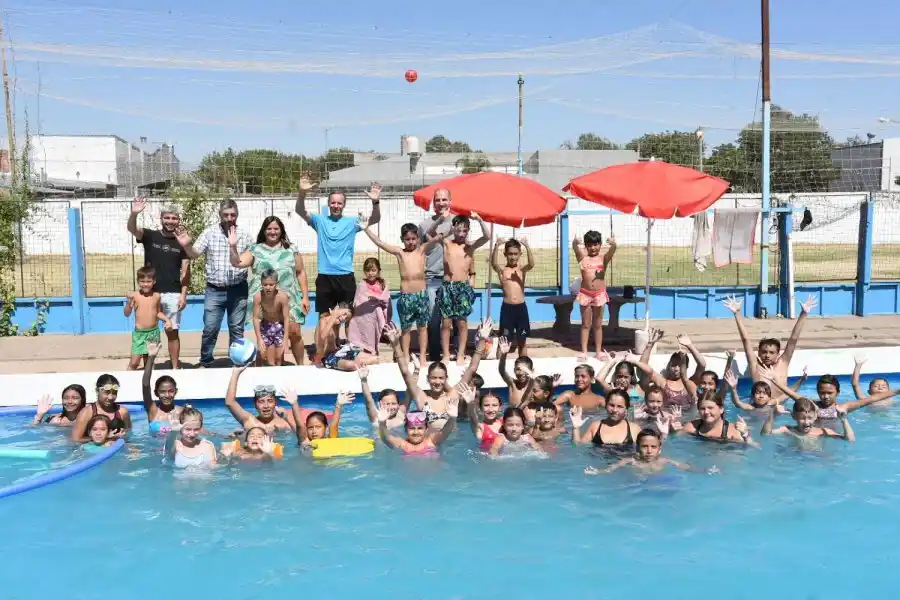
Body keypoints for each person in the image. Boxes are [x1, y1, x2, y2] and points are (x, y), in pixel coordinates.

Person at [295, 177, 382, 341]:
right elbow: (300, 210)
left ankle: (350, 348)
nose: (336, 206)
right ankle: (323, 352)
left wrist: (375, 202)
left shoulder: (352, 222)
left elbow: (375, 219)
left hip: (345, 277)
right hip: (325, 276)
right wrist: (301, 193)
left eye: (339, 203)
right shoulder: (319, 221)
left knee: (348, 317)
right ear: (329, 204)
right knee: (324, 319)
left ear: (344, 205)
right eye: (333, 203)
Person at [175, 199, 252, 368]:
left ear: (237, 215)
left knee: (236, 330)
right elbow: (194, 254)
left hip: (238, 289)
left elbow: (251, 260)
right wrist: (187, 245)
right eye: (226, 215)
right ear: (220, 215)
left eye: (232, 214)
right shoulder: (209, 233)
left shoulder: (245, 235)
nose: (229, 218)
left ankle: (237, 362)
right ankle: (206, 361)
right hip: (214, 290)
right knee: (210, 328)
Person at [229, 216, 310, 365]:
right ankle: (275, 366)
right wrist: (233, 247)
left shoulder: (291, 248)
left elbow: (300, 272)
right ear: (264, 231)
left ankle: (301, 366)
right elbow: (237, 262)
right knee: (270, 339)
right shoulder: (255, 249)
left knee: (294, 332)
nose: (273, 232)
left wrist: (305, 297)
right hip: (265, 302)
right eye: (269, 229)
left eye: (276, 229)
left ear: (281, 230)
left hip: (289, 299)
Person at [362, 220, 445, 365]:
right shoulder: (400, 253)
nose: (411, 242)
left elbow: (437, 238)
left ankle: (423, 356)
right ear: (402, 240)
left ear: (418, 238)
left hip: (421, 295)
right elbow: (380, 243)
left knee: (422, 327)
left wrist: (440, 220)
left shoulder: (421, 250)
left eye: (414, 239)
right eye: (407, 239)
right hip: (406, 296)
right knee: (406, 329)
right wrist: (366, 229)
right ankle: (406, 355)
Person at [387, 319, 491, 431]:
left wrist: (482, 340)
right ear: (428, 379)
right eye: (434, 378)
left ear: (446, 378)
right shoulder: (422, 398)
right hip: (429, 446)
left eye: (441, 378)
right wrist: (396, 345)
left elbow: (472, 369)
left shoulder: (452, 396)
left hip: (452, 446)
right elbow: (405, 372)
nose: (437, 382)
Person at [127, 198, 190, 368]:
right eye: (167, 218)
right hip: (150, 294)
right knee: (149, 332)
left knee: (172, 332)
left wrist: (183, 295)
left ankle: (175, 367)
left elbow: (186, 271)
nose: (170, 221)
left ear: (179, 220)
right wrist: (134, 213)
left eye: (174, 218)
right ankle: (149, 367)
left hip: (173, 293)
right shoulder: (150, 235)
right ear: (161, 218)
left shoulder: (182, 242)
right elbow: (132, 228)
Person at [723, 294, 816, 401]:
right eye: (764, 352)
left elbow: (793, 340)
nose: (767, 355)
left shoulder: (783, 363)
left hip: (780, 408)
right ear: (758, 353)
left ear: (778, 354)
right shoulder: (755, 365)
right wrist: (737, 313)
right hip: (758, 408)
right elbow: (745, 340)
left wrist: (803, 314)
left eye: (771, 353)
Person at [425, 212, 490, 365]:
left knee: (462, 323)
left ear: (468, 231)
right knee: (446, 323)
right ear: (453, 228)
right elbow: (429, 233)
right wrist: (441, 219)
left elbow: (487, 236)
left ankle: (460, 354)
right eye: (459, 230)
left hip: (462, 288)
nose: (461, 234)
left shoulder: (470, 247)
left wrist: (480, 219)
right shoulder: (447, 243)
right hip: (448, 287)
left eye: (465, 230)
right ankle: (446, 355)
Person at [761, 367, 898, 421]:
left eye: (829, 393)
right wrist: (775, 381)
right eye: (822, 393)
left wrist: (898, 390)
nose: (825, 396)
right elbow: (792, 394)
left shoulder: (844, 407)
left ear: (837, 392)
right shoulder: (812, 405)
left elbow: (873, 399)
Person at [418, 188, 455, 362]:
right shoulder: (425, 225)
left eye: (444, 199)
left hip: (453, 279)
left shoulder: (458, 224)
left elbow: (466, 251)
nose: (441, 203)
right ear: (433, 202)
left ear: (450, 201)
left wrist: (472, 275)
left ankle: (452, 353)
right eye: (438, 200)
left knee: (454, 319)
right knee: (433, 320)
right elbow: (418, 252)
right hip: (431, 278)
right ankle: (434, 356)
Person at [573, 230, 617, 359]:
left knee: (597, 325)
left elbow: (612, 252)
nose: (593, 248)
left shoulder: (603, 259)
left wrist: (614, 244)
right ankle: (584, 351)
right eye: (590, 245)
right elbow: (575, 249)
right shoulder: (582, 258)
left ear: (600, 244)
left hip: (599, 294)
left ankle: (598, 352)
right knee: (585, 324)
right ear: (586, 246)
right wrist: (575, 243)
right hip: (585, 294)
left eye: (596, 244)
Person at [376, 393, 463, 456]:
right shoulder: (402, 444)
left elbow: (445, 432)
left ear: (426, 429)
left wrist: (452, 418)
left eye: (420, 428)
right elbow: (385, 438)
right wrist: (382, 423)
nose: (416, 432)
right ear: (406, 429)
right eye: (412, 428)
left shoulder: (431, 441)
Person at [585, 429, 698, 475]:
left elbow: (684, 466)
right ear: (638, 448)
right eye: (644, 446)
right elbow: (611, 468)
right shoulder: (631, 460)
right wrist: (597, 471)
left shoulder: (664, 460)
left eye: (653, 447)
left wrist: (703, 470)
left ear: (660, 449)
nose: (649, 451)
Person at [491, 237, 534, 356]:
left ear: (520, 254)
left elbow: (531, 264)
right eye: (510, 254)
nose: (513, 257)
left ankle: (523, 364)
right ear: (505, 254)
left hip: (521, 309)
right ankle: (500, 366)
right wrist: (496, 246)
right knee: (504, 341)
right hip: (507, 309)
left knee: (522, 341)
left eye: (515, 254)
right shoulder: (503, 271)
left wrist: (527, 246)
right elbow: (494, 264)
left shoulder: (521, 270)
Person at [124, 266, 171, 370]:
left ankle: (148, 383)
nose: (145, 284)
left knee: (149, 362)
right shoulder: (135, 296)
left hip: (153, 333)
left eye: (148, 281)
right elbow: (126, 314)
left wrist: (167, 320)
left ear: (154, 281)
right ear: (138, 281)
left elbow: (158, 312)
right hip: (139, 334)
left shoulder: (157, 296)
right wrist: (128, 304)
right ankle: (128, 379)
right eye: (142, 281)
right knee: (134, 362)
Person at [676, 389, 757, 446]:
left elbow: (756, 449)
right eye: (702, 408)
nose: (706, 412)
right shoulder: (692, 427)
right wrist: (674, 428)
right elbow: (675, 440)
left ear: (721, 409)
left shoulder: (734, 432)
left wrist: (746, 435)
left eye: (710, 408)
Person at [347, 257, 391, 360]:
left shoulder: (382, 284)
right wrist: (372, 301)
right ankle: (367, 355)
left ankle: (374, 353)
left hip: (376, 318)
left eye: (373, 270)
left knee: (374, 336)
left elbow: (386, 299)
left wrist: (378, 300)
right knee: (365, 337)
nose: (370, 273)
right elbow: (359, 301)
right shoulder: (362, 285)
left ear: (378, 271)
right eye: (368, 270)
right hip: (365, 317)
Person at [570, 390, 642, 451]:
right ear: (606, 405)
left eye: (620, 406)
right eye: (611, 405)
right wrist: (576, 428)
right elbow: (578, 448)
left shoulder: (634, 429)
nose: (614, 410)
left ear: (626, 409)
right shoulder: (595, 426)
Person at [315, 304, 379, 371]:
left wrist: (343, 344)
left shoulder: (336, 325)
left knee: (376, 359)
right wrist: (333, 316)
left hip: (339, 352)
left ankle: (356, 361)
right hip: (327, 357)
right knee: (351, 365)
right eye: (344, 314)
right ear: (334, 310)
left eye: (346, 318)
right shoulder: (323, 320)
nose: (343, 318)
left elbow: (335, 342)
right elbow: (322, 337)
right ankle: (355, 362)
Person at [761, 397, 855, 443]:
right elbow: (765, 434)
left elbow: (850, 439)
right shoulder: (788, 430)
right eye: (802, 418)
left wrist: (843, 420)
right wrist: (772, 414)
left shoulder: (823, 431)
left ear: (815, 417)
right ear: (794, 417)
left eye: (809, 418)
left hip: (819, 459)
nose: (806, 422)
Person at [71, 374, 132, 442]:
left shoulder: (123, 412)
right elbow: (75, 440)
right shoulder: (86, 413)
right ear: (97, 391)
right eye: (106, 393)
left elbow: (128, 434)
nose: (110, 397)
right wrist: (105, 437)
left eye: (114, 393)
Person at [252, 269, 291, 366]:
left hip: (279, 326)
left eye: (271, 284)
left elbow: (286, 318)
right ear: (261, 284)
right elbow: (256, 318)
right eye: (265, 284)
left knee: (279, 359)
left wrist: (285, 339)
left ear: (276, 284)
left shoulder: (282, 297)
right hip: (266, 326)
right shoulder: (258, 297)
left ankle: (278, 378)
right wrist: (259, 338)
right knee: (267, 359)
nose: (268, 287)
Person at [143, 341, 183, 434]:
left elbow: (195, 430)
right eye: (162, 392)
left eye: (171, 391)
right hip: (153, 448)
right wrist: (151, 357)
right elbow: (145, 385)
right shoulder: (153, 410)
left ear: (176, 391)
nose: (167, 395)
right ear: (156, 393)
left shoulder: (181, 412)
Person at [496, 337, 534, 407]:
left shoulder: (534, 387)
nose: (521, 373)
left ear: (531, 371)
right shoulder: (512, 384)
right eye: (518, 369)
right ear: (514, 370)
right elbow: (502, 371)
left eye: (525, 369)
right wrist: (504, 355)